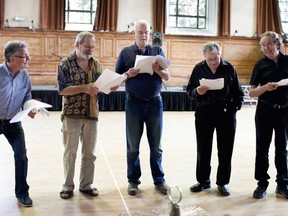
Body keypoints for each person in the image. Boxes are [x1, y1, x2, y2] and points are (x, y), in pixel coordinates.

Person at [57, 31, 117, 199]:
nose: (90, 49)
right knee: (70, 153)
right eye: (87, 46)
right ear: (77, 45)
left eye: (92, 46)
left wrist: (111, 87)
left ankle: (86, 184)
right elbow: (62, 90)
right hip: (71, 114)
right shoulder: (65, 64)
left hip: (92, 113)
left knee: (90, 153)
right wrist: (84, 87)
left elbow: (101, 84)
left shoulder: (96, 64)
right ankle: (67, 186)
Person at [115, 19, 170, 196]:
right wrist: (127, 74)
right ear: (134, 33)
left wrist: (158, 70)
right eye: (140, 32)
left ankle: (159, 179)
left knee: (156, 146)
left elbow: (167, 76)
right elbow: (116, 80)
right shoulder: (126, 53)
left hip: (155, 103)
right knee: (133, 146)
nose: (144, 35)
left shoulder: (157, 51)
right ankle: (133, 181)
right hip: (134, 103)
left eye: (147, 32)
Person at [186, 41, 244, 196]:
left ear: (220, 54)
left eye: (216, 58)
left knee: (225, 150)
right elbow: (189, 90)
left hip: (226, 114)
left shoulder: (229, 68)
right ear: (204, 57)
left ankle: (223, 182)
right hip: (204, 113)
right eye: (210, 59)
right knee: (203, 149)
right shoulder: (199, 68)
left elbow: (239, 93)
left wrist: (234, 109)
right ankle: (203, 181)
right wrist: (197, 91)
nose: (213, 62)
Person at [249, 31, 288, 199]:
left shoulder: (287, 61)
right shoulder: (259, 65)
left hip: (285, 111)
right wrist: (265, 87)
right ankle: (262, 183)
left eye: (269, 44)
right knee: (262, 148)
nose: (266, 48)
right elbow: (251, 93)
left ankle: (282, 183)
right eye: (263, 45)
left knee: (282, 149)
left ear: (277, 43)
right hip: (265, 111)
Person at [0, 40, 35, 207]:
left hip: (13, 122)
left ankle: (22, 193)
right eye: (24, 56)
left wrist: (30, 108)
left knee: (21, 156)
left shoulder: (24, 74)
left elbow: (27, 95)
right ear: (11, 58)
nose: (27, 59)